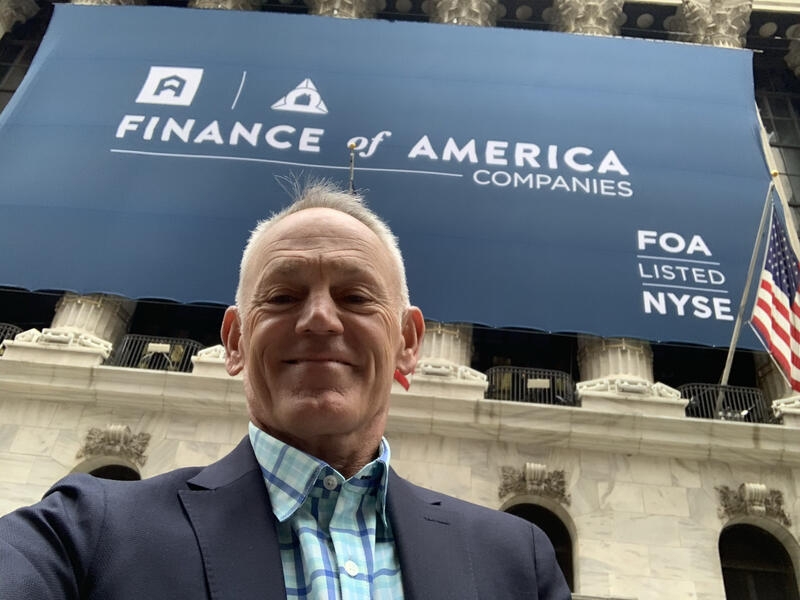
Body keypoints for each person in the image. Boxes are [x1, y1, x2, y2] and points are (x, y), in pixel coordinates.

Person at [0, 181, 571, 599]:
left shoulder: (517, 561)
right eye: (282, 297)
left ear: (407, 342)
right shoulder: (83, 531)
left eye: (355, 297)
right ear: (235, 342)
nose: (320, 319)